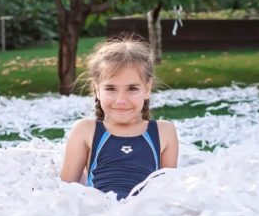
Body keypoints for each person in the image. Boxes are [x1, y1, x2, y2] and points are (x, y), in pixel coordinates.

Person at [60, 37, 178, 199]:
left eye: (132, 88)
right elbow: (65, 192)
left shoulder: (164, 131)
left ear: (147, 88)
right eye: (110, 88)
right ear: (97, 89)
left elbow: (168, 193)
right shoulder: (85, 131)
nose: (121, 100)